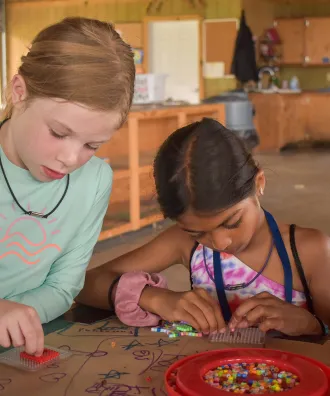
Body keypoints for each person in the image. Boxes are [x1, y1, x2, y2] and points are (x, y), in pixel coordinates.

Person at [77, 118, 330, 337]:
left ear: (259, 184)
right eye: (196, 232)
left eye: (232, 223)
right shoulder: (185, 244)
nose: (220, 244)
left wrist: (310, 324)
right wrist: (155, 298)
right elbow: (83, 285)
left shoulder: (309, 250)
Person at [0, 17, 135, 355]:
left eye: (93, 145)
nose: (72, 159)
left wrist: (23, 315)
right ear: (19, 92)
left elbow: (63, 287)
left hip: (22, 347)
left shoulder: (94, 181)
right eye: (59, 133)